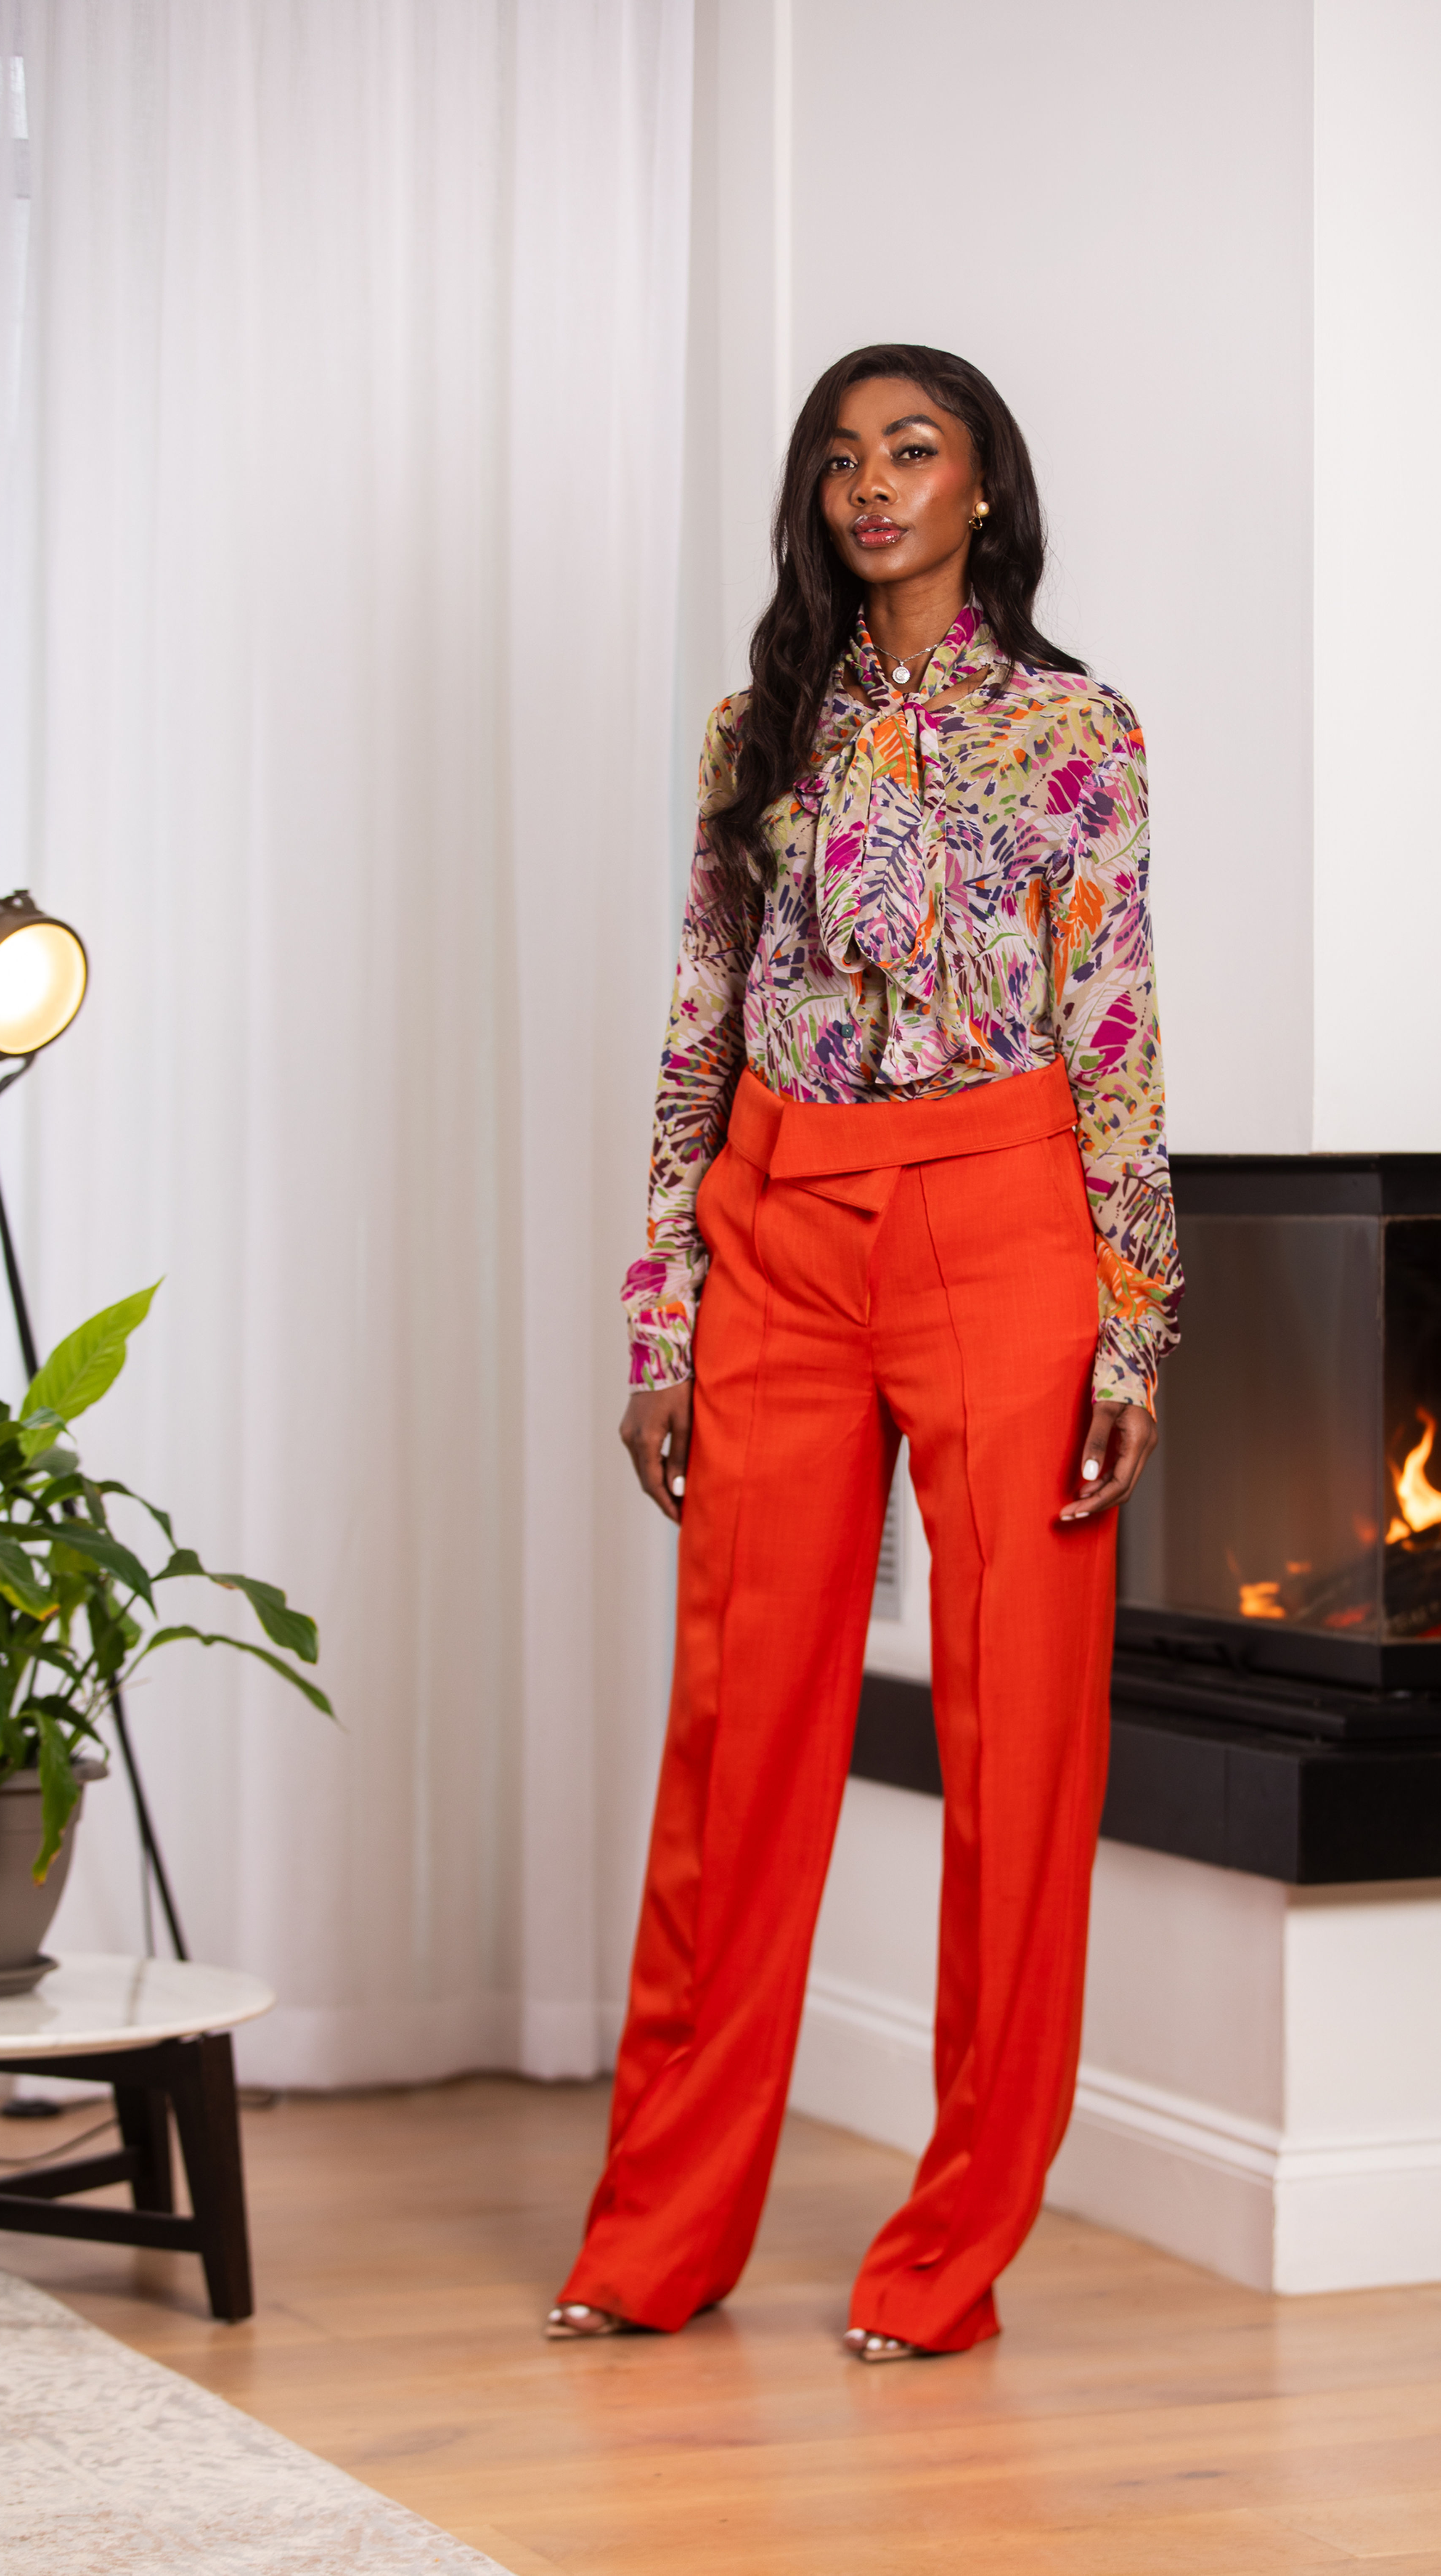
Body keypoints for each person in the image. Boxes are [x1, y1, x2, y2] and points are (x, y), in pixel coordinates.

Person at [550, 343, 1181, 2361]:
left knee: (1016, 1742)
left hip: (1005, 1225)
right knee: (736, 1742)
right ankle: (655, 2233)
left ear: (983, 483)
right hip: (781, 1223)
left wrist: (1134, 1318)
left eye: (911, 450)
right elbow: (695, 1026)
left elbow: (1119, 1028)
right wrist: (664, 1311)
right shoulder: (764, 724)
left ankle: (948, 2258)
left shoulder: (1078, 729)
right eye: (839, 458)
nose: (871, 484)